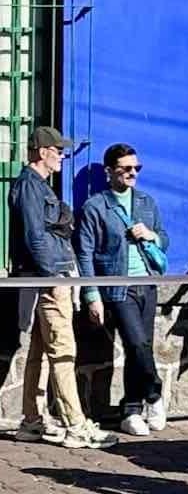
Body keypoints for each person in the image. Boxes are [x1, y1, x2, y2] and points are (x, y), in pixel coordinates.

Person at [10, 127, 117, 448]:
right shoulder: (30, 187)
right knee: (63, 351)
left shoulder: (37, 186)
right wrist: (55, 276)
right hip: (49, 279)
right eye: (58, 151)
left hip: (48, 276)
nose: (62, 157)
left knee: (41, 351)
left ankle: (31, 420)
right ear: (43, 152)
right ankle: (76, 425)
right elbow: (35, 237)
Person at [76, 143, 170, 436]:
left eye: (136, 169)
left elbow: (164, 238)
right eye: (125, 169)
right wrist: (91, 295)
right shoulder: (96, 206)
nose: (132, 174)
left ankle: (132, 409)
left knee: (138, 347)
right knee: (137, 343)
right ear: (109, 172)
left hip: (147, 282)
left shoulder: (146, 202)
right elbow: (85, 253)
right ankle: (154, 394)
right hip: (118, 286)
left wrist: (151, 235)